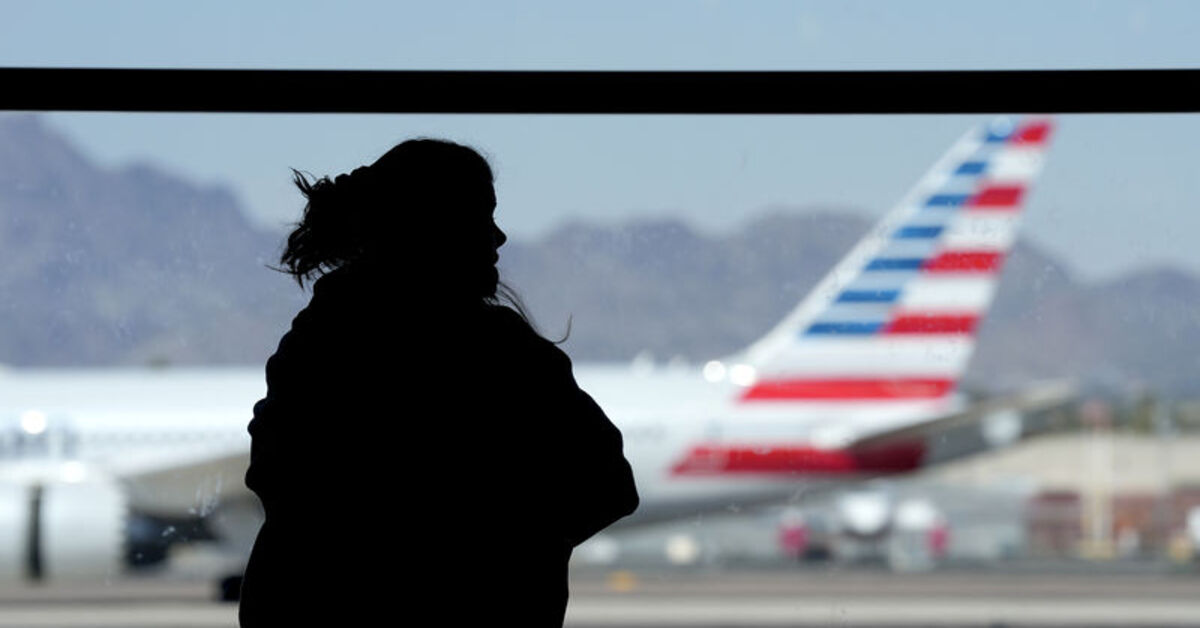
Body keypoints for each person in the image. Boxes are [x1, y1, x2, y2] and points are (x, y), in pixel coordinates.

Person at [238, 139, 639, 626]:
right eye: (480, 216)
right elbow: (607, 484)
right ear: (430, 227)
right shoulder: (502, 356)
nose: (499, 237)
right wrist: (506, 561)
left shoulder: (314, 348)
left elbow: (284, 487)